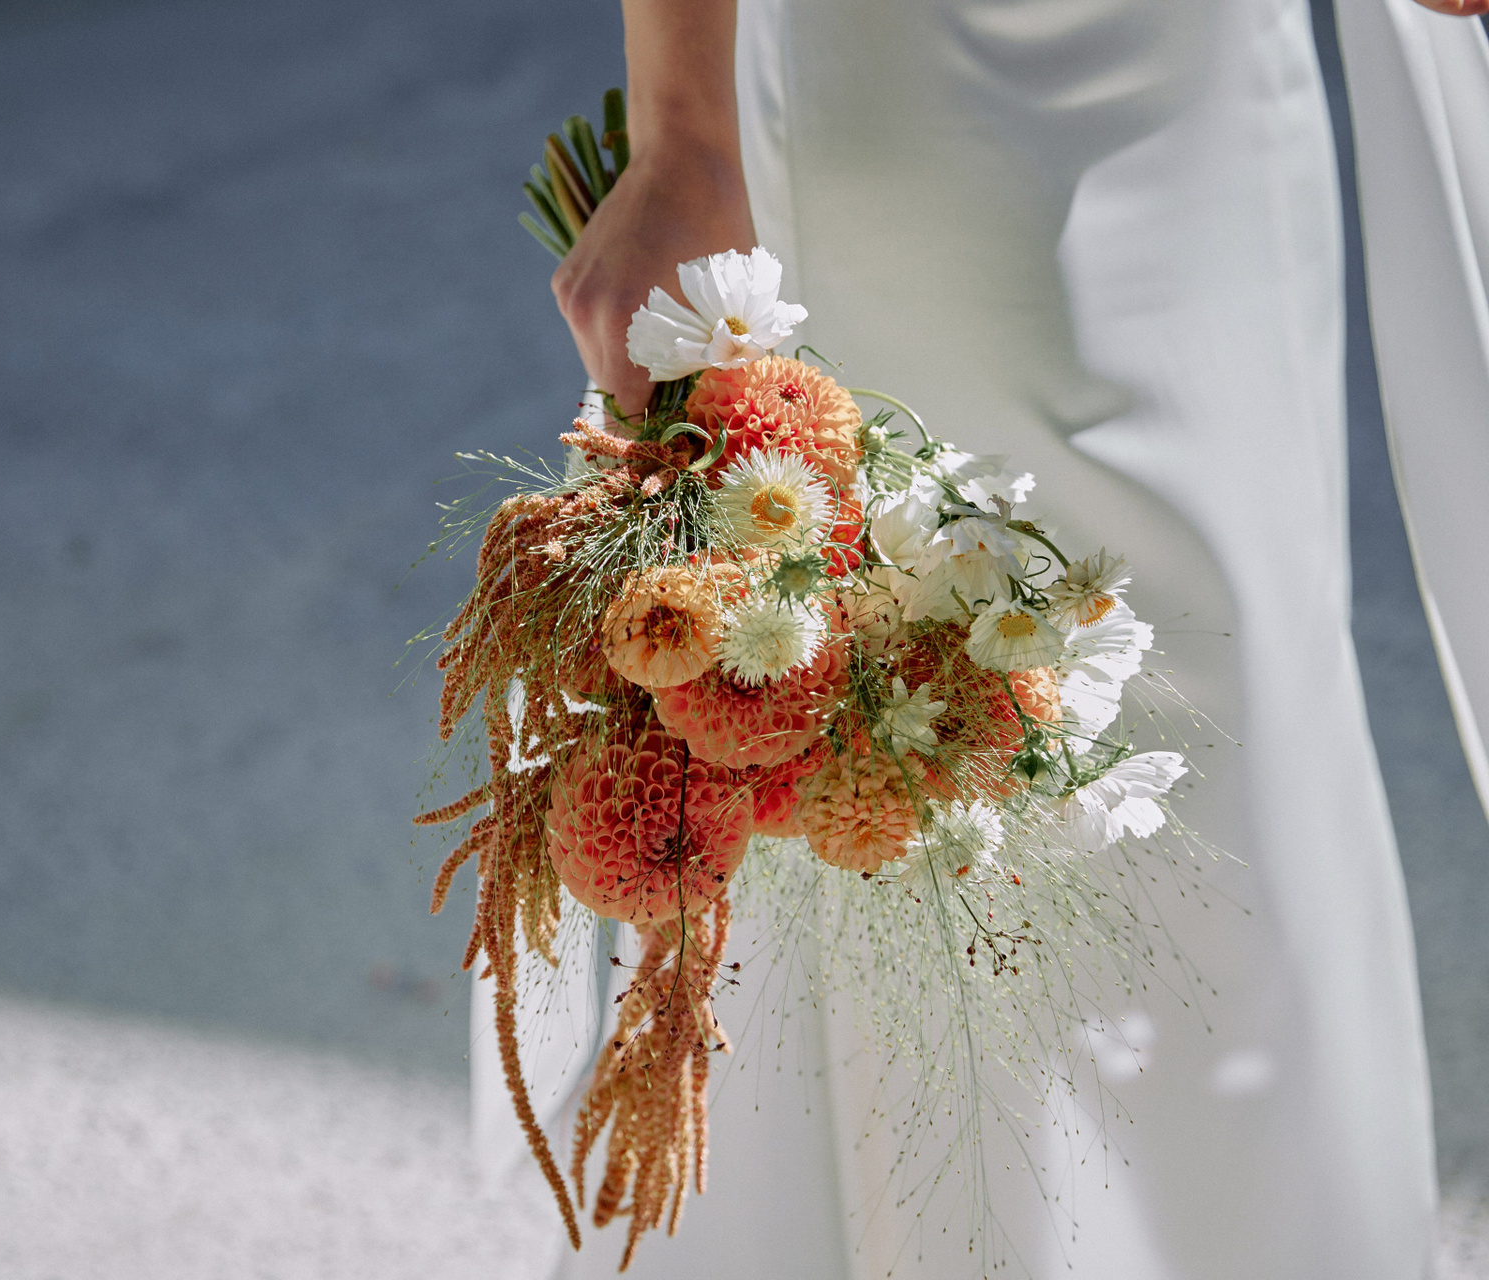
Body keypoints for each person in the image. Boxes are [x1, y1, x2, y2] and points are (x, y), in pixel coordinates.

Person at [488, 0, 1489, 1276]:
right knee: (944, 720)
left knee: (1228, 695)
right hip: (917, 82)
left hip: (1208, 82)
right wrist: (684, 132)